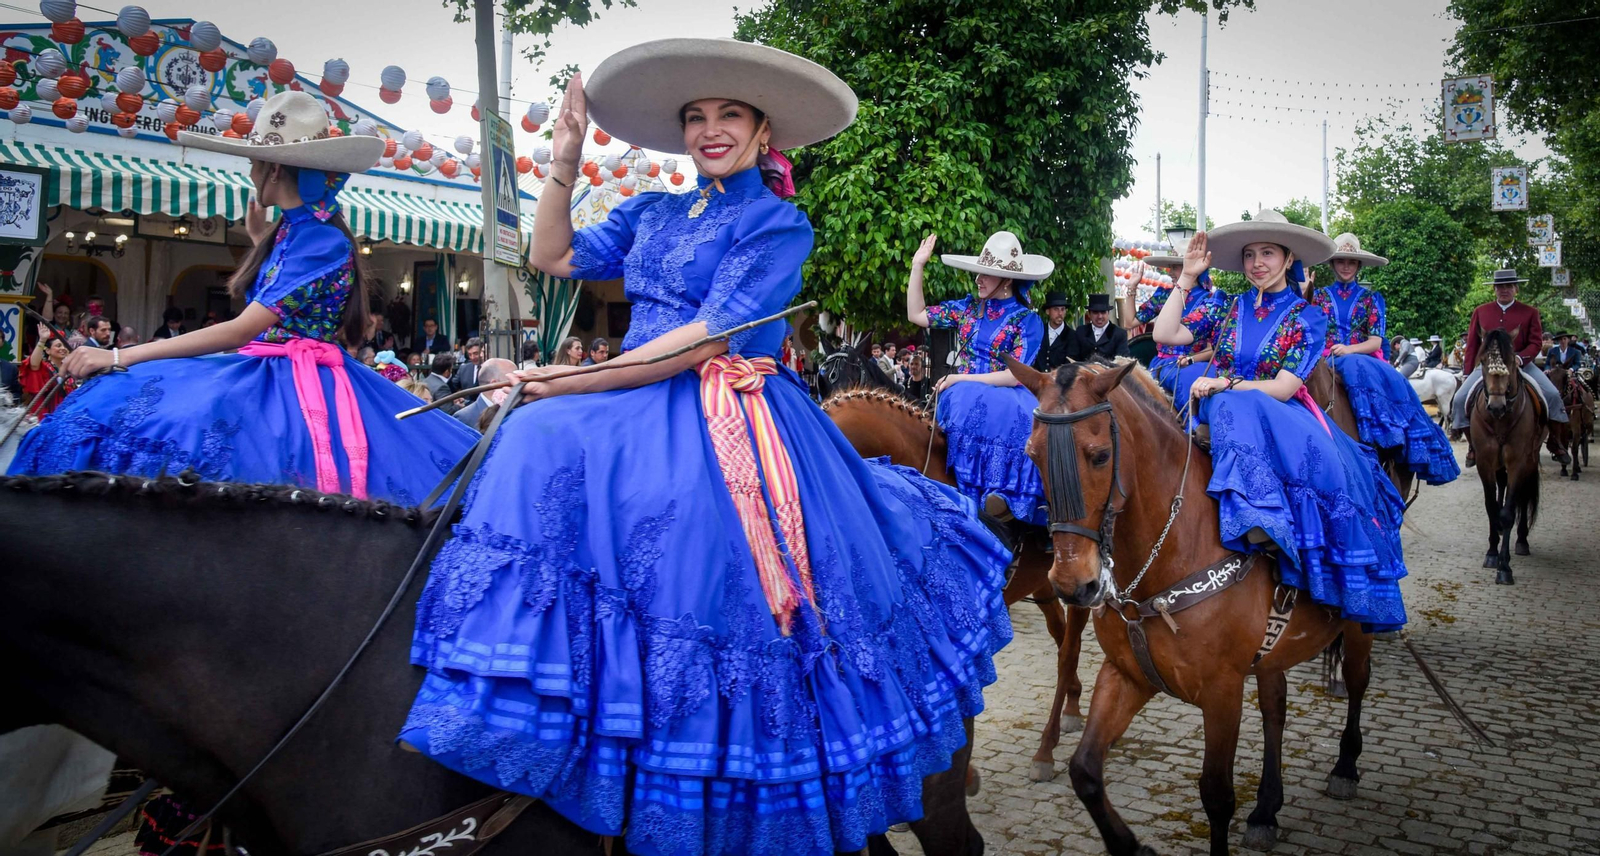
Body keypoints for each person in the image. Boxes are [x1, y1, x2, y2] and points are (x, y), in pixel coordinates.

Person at [400, 40, 1010, 856]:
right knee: (528, 436)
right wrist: (565, 157)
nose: (709, 129)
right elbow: (549, 257)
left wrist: (570, 381)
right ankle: (558, 701)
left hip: (720, 394)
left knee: (608, 478)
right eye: (696, 116)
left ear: (764, 133)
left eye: (729, 115)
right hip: (636, 387)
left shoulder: (778, 221)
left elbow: (704, 341)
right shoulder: (654, 209)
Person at [9, 89, 476, 506]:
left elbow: (241, 329)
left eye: (254, 163)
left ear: (274, 170)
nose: (249, 172)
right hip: (275, 368)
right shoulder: (296, 232)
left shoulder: (316, 238)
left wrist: (118, 356)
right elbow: (292, 295)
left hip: (294, 379)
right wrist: (261, 242)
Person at [1154, 210, 1410, 632]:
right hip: (1224, 410)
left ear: (1289, 258)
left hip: (1277, 413)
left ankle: (1266, 526)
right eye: (1250, 254)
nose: (1257, 263)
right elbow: (1165, 335)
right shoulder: (1227, 307)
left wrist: (1222, 383)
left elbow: (1286, 387)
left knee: (1240, 410)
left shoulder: (1306, 316)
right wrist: (1186, 276)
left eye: (1268, 253)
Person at [908, 230, 1051, 525]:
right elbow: (917, 315)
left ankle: (1005, 497)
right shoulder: (967, 309)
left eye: (985, 274)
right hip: (962, 392)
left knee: (1016, 413)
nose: (978, 280)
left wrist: (960, 379)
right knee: (960, 400)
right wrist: (917, 266)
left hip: (1007, 391)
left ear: (1007, 280)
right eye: (978, 273)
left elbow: (1015, 376)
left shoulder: (1028, 320)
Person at [1307, 233, 1456, 485]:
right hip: (1324, 356)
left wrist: (1348, 350)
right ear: (1332, 264)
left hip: (1358, 356)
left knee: (1364, 371)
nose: (1346, 266)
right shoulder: (1318, 297)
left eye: (1351, 262)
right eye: (1341, 261)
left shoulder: (1371, 299)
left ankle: (1380, 438)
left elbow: (1375, 341)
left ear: (1358, 266)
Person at [1450, 269, 1568, 464]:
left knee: (1553, 395)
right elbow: (1472, 344)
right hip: (1489, 366)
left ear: (1516, 289)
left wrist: (1520, 358)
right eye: (1500, 287)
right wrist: (1467, 372)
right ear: (1494, 289)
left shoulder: (1530, 312)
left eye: (1508, 286)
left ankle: (1555, 442)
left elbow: (1535, 342)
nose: (1504, 290)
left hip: (1521, 364)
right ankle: (1472, 445)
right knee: (1459, 399)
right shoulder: (1481, 311)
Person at [1134, 239, 1227, 402]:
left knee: (1190, 379)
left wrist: (1191, 359)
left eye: (1175, 266)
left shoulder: (1212, 301)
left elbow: (1216, 349)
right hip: (1162, 364)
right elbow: (1130, 322)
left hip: (1190, 367)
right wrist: (1131, 288)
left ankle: (1191, 425)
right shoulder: (1164, 295)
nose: (1170, 272)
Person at [18, 322, 77, 417]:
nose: (63, 348)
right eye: (58, 346)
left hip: (65, 416)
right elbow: (33, 365)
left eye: (64, 345)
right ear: (48, 350)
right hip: (45, 415)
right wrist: (42, 340)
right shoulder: (44, 368)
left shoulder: (70, 370)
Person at [450, 358, 515, 430]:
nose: (518, 384)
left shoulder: (516, 410)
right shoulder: (464, 418)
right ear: (495, 384)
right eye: (511, 381)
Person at [1033, 291, 1084, 372]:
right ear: (1048, 311)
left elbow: (1071, 364)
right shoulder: (1039, 331)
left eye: (1063, 309)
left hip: (1060, 382)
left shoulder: (1072, 336)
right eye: (1056, 309)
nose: (1060, 313)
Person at [1076, 292, 1129, 360]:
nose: (1100, 316)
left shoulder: (1119, 334)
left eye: (1103, 312)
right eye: (1095, 312)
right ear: (1089, 314)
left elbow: (1122, 360)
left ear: (1108, 313)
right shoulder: (1081, 331)